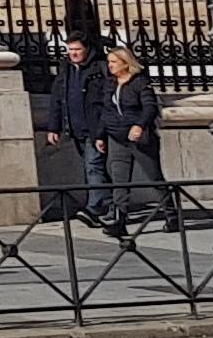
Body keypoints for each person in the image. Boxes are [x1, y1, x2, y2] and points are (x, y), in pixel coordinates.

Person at [47, 33, 119, 222]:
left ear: (86, 49)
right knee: (95, 169)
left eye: (77, 49)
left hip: (95, 128)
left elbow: (105, 101)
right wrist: (53, 127)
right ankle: (112, 203)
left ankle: (94, 209)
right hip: (75, 127)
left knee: (93, 167)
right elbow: (57, 99)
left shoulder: (98, 68)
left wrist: (101, 132)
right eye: (70, 50)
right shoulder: (66, 70)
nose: (73, 53)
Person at [100, 46, 166, 229]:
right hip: (117, 136)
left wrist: (139, 125)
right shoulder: (111, 83)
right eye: (109, 62)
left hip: (139, 137)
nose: (110, 66)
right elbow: (106, 110)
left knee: (154, 176)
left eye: (113, 62)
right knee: (119, 179)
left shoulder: (140, 82)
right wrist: (101, 135)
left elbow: (150, 107)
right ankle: (119, 219)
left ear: (125, 63)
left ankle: (171, 213)